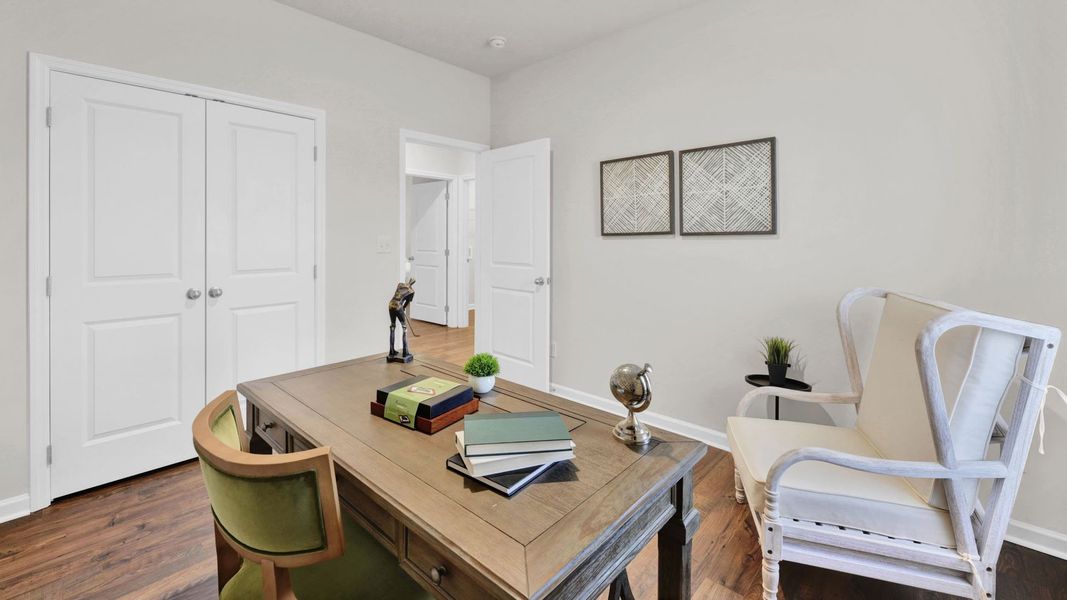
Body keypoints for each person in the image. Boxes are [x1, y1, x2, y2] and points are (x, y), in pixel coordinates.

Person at [387, 278, 416, 362]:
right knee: (404, 328)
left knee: (392, 327)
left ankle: (391, 351)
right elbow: (407, 303)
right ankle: (405, 352)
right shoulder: (411, 291)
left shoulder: (400, 284)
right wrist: (402, 308)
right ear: (412, 283)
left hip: (391, 304)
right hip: (398, 306)